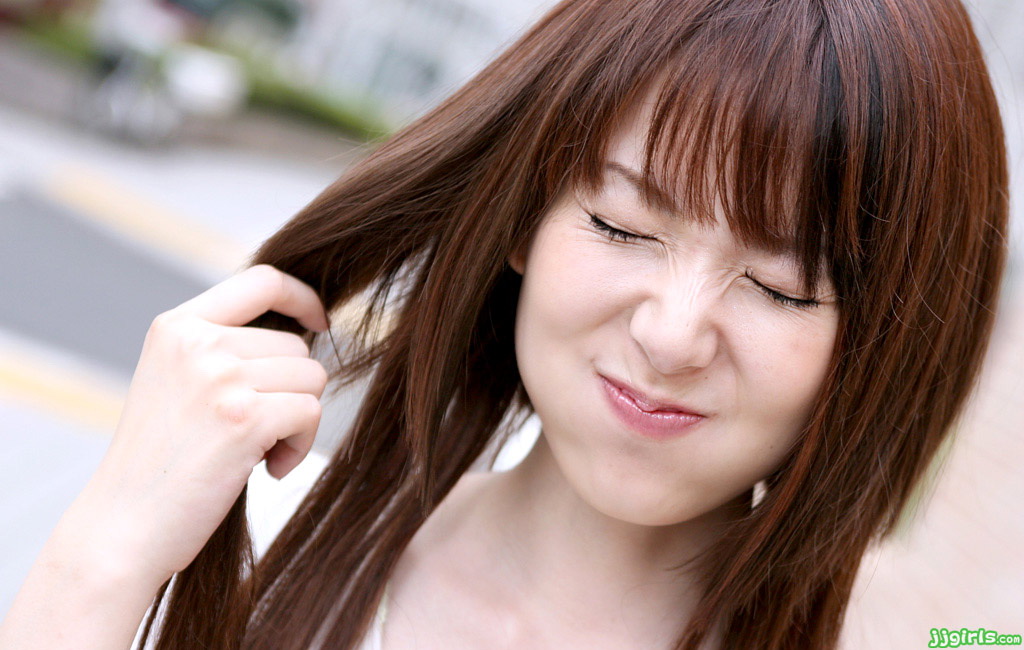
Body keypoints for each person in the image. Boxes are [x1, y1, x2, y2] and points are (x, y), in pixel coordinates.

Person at [0, 0, 1009, 648]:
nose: (671, 334)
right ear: (526, 216)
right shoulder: (252, 543)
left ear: (882, 342)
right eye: (622, 225)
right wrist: (103, 554)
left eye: (782, 287)